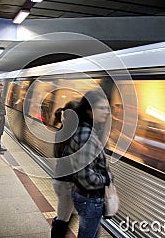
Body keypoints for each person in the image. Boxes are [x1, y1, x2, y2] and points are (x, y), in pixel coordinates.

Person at [67, 90, 113, 238]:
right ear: (89, 109)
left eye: (107, 108)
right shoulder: (87, 135)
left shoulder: (83, 129)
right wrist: (106, 179)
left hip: (83, 196)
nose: (106, 112)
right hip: (90, 199)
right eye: (101, 108)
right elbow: (86, 177)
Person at [51, 101, 79, 238]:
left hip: (61, 180)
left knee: (68, 215)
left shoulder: (62, 130)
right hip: (66, 183)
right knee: (63, 219)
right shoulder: (72, 134)